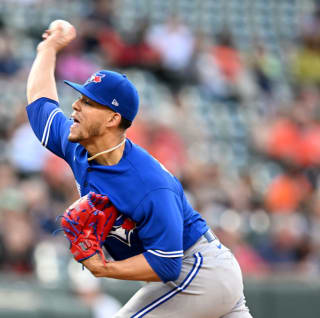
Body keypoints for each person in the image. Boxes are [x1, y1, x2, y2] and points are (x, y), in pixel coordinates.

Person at [26, 22, 252, 318]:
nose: (76, 107)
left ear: (112, 119)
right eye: (79, 98)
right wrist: (48, 49)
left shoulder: (148, 182)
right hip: (199, 276)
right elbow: (40, 106)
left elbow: (166, 264)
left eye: (87, 102)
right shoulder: (78, 145)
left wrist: (103, 268)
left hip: (197, 269)